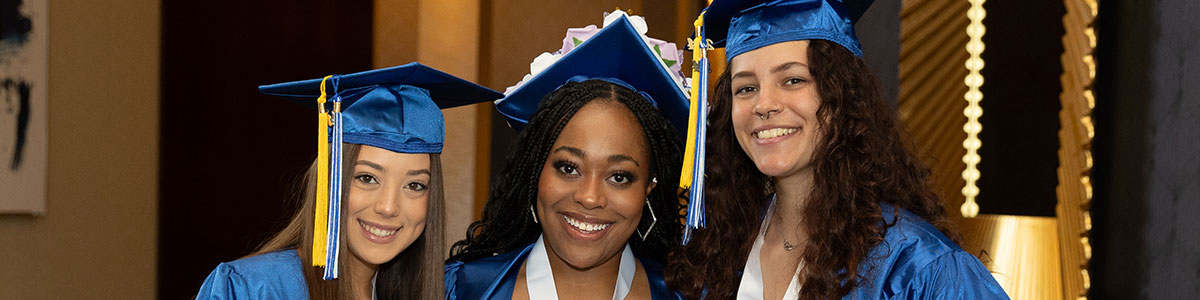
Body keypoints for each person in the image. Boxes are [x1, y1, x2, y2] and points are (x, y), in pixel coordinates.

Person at [666, 0, 1010, 299]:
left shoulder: (918, 269)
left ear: (840, 97)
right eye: (745, 88)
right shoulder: (722, 252)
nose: (764, 104)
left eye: (793, 80)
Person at [195, 63, 502, 299]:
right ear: (330, 179)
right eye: (367, 178)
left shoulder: (419, 293)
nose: (388, 207)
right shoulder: (252, 289)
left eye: (415, 185)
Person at [444, 11, 689, 300]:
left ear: (650, 186)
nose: (589, 197)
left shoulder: (687, 295)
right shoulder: (462, 290)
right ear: (537, 171)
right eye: (569, 168)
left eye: (619, 176)